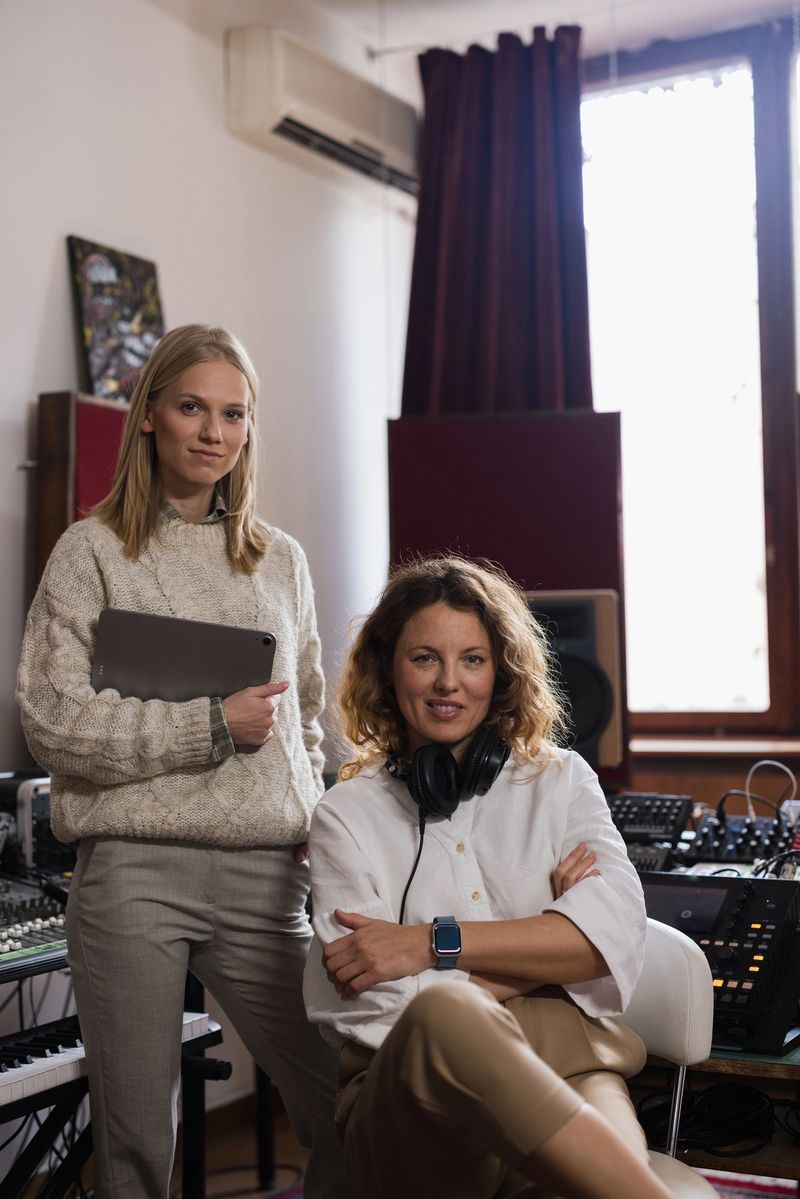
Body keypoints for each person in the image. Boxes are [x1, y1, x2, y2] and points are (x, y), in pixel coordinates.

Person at [17, 325, 347, 1199]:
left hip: (266, 876)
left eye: (234, 413)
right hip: (133, 872)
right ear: (150, 415)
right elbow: (52, 722)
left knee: (346, 1102)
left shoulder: (281, 559)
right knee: (135, 1144)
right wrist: (208, 726)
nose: (213, 431)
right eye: (193, 407)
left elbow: (307, 717)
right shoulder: (90, 551)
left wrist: (311, 812)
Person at [303, 556, 675, 1199]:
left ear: (500, 672)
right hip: (414, 1103)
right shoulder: (345, 815)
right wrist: (548, 948)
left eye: (472, 659)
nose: (449, 682)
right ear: (388, 668)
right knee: (445, 1012)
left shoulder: (561, 781)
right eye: (425, 658)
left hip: (572, 1069)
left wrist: (427, 945)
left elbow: (613, 939)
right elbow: (379, 1010)